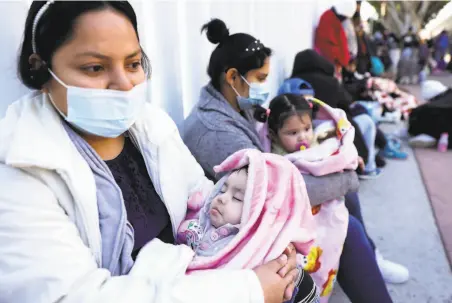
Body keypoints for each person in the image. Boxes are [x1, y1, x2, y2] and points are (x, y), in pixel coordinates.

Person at [0, 2, 301, 303]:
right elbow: (71, 296)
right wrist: (248, 291)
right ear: (41, 69)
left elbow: (204, 196)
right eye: (95, 68)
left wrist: (264, 240)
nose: (123, 84)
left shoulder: (150, 126)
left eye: (132, 64)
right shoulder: (22, 168)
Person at [183, 18, 407, 303]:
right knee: (347, 221)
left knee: (343, 201)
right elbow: (271, 194)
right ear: (233, 78)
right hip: (235, 226)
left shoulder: (236, 108)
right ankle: (368, 270)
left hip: (247, 206)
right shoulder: (215, 131)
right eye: (261, 79)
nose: (265, 86)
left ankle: (371, 257)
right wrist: (348, 176)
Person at [177, 159, 320, 303]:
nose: (221, 198)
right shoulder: (203, 222)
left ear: (261, 215)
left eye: (237, 198)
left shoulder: (262, 254)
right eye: (222, 189)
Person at [314, 0, 357, 81]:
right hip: (328, 65)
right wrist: (346, 60)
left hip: (322, 61)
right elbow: (342, 52)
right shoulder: (336, 24)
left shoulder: (326, 16)